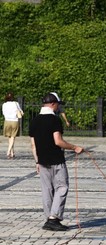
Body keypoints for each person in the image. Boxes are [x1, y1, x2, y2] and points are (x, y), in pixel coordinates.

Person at [29, 92, 83, 231]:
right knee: (62, 187)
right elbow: (58, 141)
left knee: (47, 190)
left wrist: (37, 162)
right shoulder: (54, 120)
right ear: (53, 103)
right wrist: (74, 147)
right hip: (56, 160)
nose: (59, 107)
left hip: (42, 161)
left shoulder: (34, 120)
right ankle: (54, 218)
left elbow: (33, 145)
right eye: (58, 104)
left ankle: (49, 218)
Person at [2, 92, 23, 159]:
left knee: (9, 137)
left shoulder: (4, 104)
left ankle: (12, 152)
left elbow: (3, 113)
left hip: (7, 121)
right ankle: (8, 151)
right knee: (13, 137)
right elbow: (20, 111)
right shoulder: (15, 103)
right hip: (14, 121)